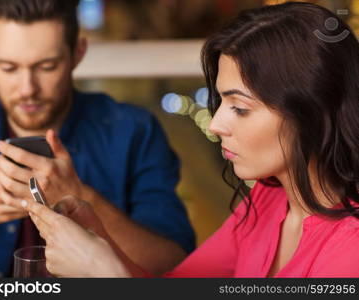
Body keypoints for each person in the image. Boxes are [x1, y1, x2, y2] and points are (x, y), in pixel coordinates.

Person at [24, 1, 359, 277]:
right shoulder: (267, 201)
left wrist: (102, 271)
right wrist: (99, 240)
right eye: (221, 102)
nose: (215, 125)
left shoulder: (351, 247)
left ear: (311, 113)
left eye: (240, 108)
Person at [0, 0, 195, 277]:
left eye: (47, 66)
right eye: (8, 67)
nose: (27, 89)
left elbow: (173, 264)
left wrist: (81, 197)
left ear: (77, 53)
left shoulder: (134, 131)